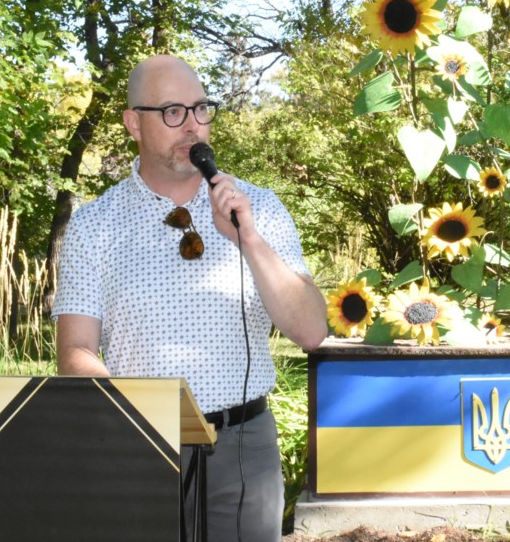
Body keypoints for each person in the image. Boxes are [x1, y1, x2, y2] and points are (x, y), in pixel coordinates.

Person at [52, 54, 329, 541]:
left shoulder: (258, 207)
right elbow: (75, 351)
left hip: (245, 448)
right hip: (138, 443)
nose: (192, 126)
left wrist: (250, 240)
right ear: (133, 123)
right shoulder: (94, 225)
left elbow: (310, 330)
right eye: (172, 112)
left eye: (201, 109)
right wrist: (124, 416)